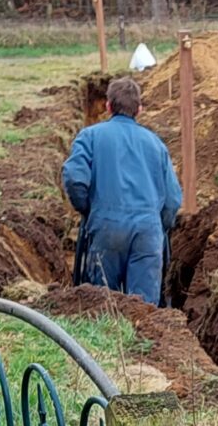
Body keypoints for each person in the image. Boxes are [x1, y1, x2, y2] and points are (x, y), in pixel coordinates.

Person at [61, 71, 182, 305]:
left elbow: (74, 177)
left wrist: (89, 209)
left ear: (108, 106)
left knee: (104, 304)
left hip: (106, 227)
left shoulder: (90, 136)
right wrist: (159, 226)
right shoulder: (157, 145)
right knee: (144, 308)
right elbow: (173, 200)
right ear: (139, 110)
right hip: (148, 231)